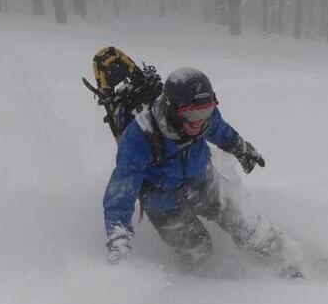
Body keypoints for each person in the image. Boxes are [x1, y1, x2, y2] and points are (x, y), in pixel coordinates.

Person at [102, 67, 304, 276]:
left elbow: (218, 128)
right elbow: (119, 197)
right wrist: (119, 241)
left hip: (204, 183)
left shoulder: (202, 117)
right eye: (192, 114)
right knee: (200, 251)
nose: (199, 123)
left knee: (247, 226)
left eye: (206, 111)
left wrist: (240, 147)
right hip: (164, 205)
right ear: (173, 109)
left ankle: (289, 262)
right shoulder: (139, 137)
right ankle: (198, 286)